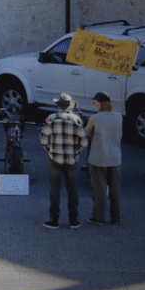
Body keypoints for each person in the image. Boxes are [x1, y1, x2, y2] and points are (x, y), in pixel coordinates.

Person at [39, 92, 87, 229]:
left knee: (55, 190)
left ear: (58, 105)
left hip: (55, 159)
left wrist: (50, 151)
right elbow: (84, 143)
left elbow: (43, 140)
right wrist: (75, 154)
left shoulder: (51, 118)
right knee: (72, 191)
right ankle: (74, 220)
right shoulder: (77, 120)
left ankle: (54, 220)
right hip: (72, 161)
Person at [85, 91, 122, 226]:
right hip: (115, 157)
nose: (95, 104)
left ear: (100, 103)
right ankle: (116, 218)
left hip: (99, 158)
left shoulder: (95, 118)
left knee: (100, 189)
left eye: (96, 102)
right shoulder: (119, 116)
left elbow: (87, 133)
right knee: (115, 189)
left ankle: (99, 218)